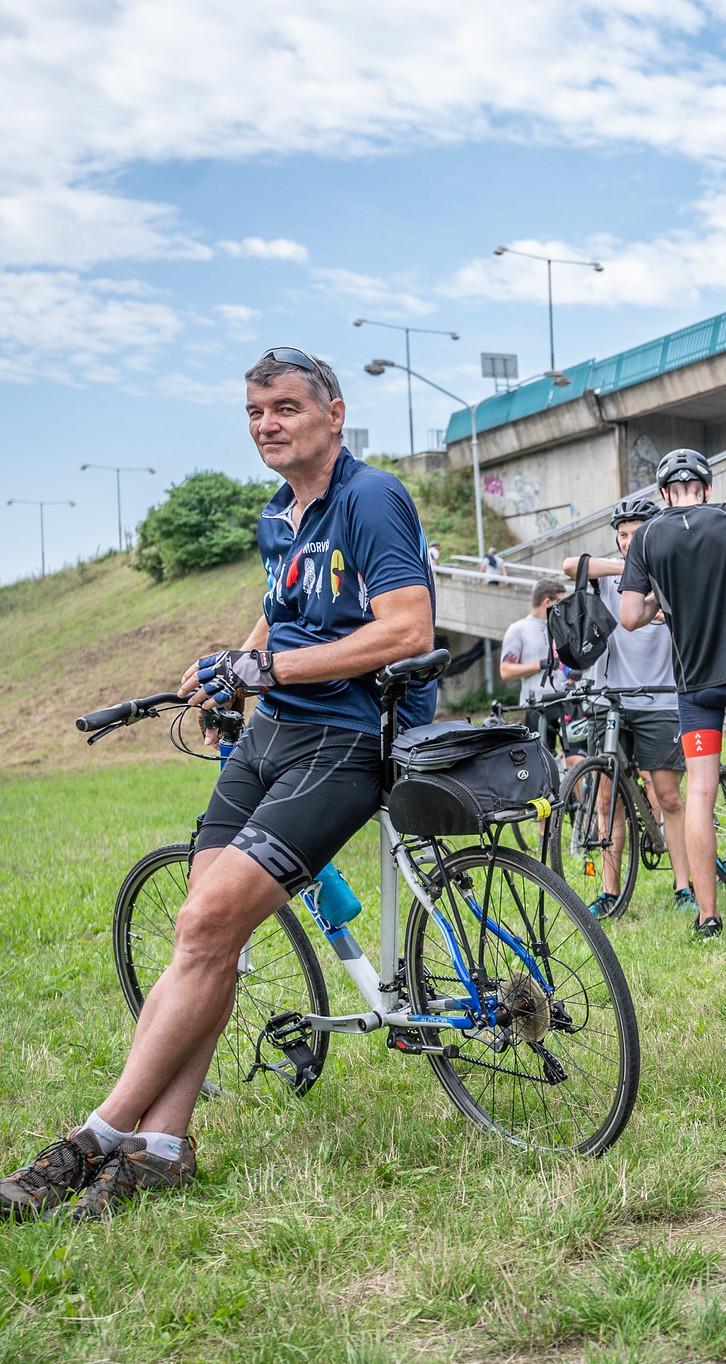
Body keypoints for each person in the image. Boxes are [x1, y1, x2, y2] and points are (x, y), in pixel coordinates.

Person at [0, 347, 436, 1221]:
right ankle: (164, 1145)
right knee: (212, 937)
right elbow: (278, 617)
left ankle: (97, 1135)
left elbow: (408, 629)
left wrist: (271, 671)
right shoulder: (281, 514)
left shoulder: (372, 496)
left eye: (284, 407)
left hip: (347, 740)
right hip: (271, 737)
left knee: (203, 921)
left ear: (334, 412)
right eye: (254, 412)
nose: (267, 424)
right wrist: (233, 672)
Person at [617, 450, 726, 935]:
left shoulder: (648, 536)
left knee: (699, 792)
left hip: (695, 687)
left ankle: (707, 916)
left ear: (663, 495)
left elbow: (630, 616)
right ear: (707, 488)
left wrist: (661, 593)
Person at [561, 496, 697, 916]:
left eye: (635, 535)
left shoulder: (673, 576)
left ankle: (683, 887)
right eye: (621, 536)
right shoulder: (607, 577)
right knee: (606, 800)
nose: (626, 542)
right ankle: (609, 891)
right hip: (609, 700)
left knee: (669, 797)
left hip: (660, 699)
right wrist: (630, 567)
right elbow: (570, 565)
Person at [501, 575, 567, 728]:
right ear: (547, 602)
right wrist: (539, 665)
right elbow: (505, 671)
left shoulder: (563, 627)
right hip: (536, 704)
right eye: (560, 601)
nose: (563, 606)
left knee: (575, 751)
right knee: (541, 751)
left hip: (565, 699)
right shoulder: (518, 629)